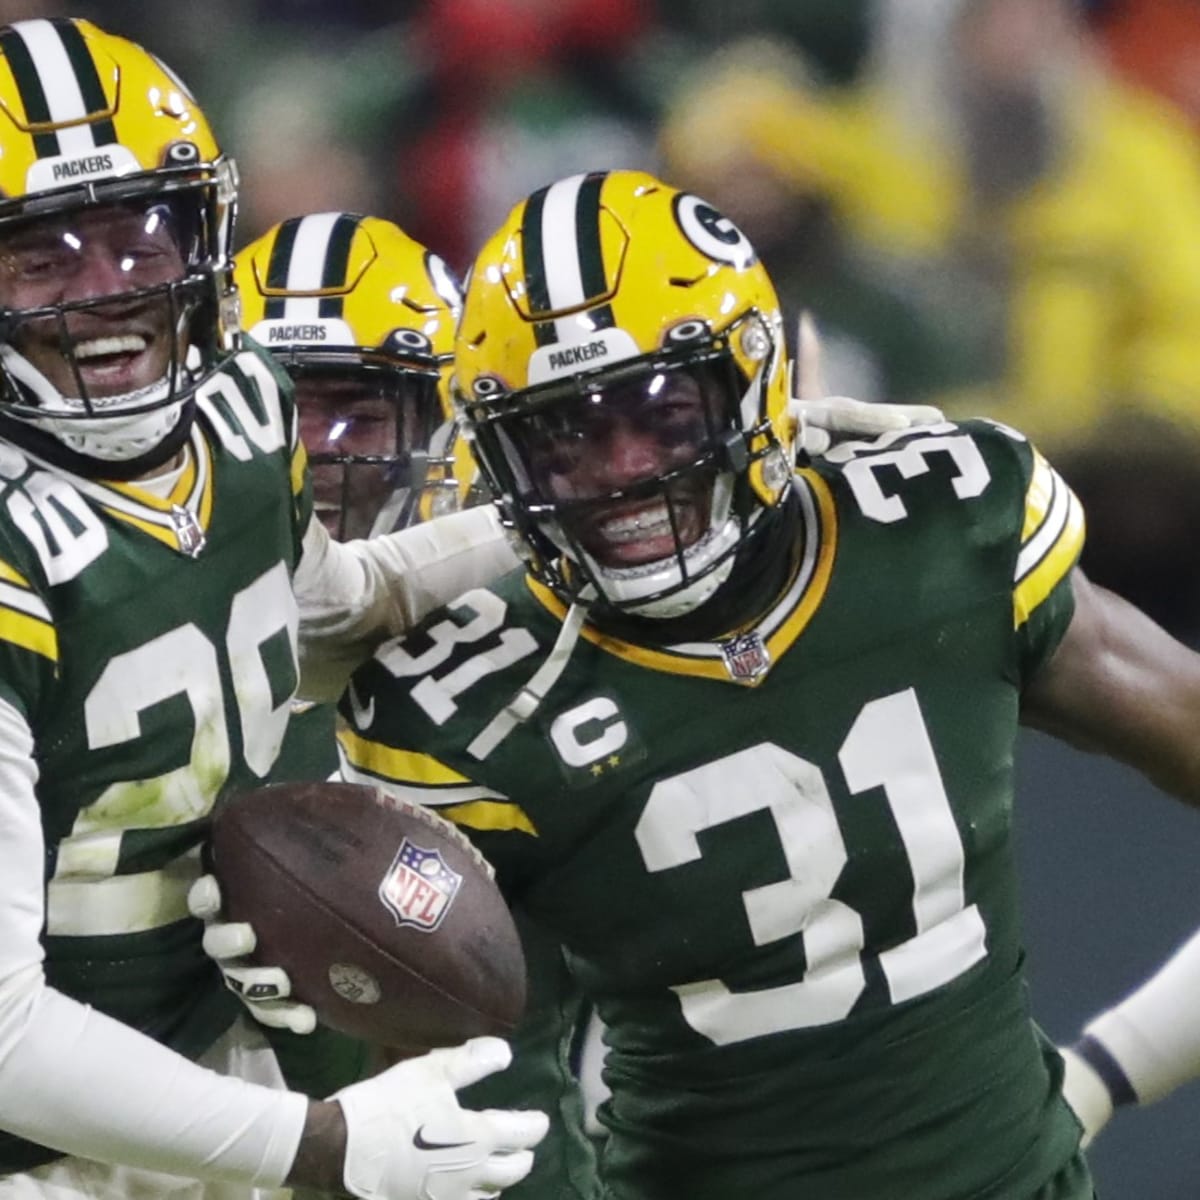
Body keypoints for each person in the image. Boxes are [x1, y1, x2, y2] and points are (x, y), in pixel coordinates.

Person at [334, 168, 1200, 1199]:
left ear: (753, 383)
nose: (624, 471)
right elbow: (479, 1121)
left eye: (662, 413)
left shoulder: (931, 532)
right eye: (566, 432)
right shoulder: (466, 705)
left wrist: (1104, 1073)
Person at [0, 17, 550, 1198]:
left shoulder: (242, 415)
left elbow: (331, 600)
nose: (108, 294)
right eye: (43, 257)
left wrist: (556, 505)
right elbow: (1, 1039)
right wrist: (325, 1148)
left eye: (141, 236)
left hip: (217, 1087)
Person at [224, 211, 602, 1198]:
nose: (317, 456)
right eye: (285, 412)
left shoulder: (527, 660)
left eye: (356, 413)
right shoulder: (122, 639)